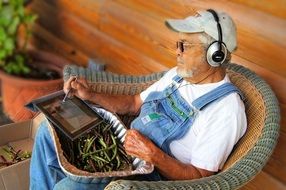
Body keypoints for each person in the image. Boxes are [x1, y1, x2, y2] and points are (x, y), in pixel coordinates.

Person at [30, 9, 247, 189]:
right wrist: (91, 95)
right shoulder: (178, 75)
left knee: (66, 188)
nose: (177, 52)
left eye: (185, 46)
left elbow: (201, 179)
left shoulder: (226, 110)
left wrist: (154, 155)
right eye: (177, 44)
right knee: (48, 134)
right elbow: (134, 103)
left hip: (152, 179)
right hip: (122, 149)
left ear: (215, 54)